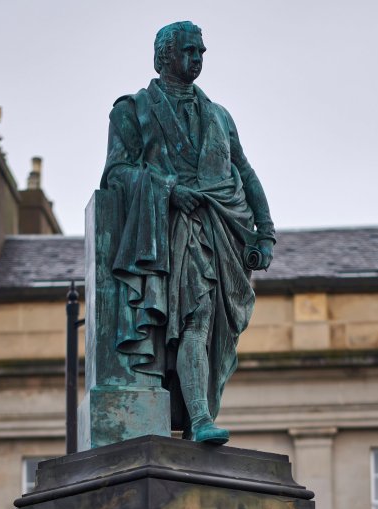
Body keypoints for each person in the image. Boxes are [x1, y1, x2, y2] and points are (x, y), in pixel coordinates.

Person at [100, 21, 275, 445]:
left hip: (223, 232)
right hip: (170, 231)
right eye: (189, 51)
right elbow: (116, 173)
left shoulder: (219, 115)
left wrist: (265, 230)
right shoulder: (133, 110)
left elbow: (244, 172)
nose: (196, 60)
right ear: (164, 56)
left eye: (201, 53)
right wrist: (168, 190)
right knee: (195, 318)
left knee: (212, 327)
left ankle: (199, 411)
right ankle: (198, 419)